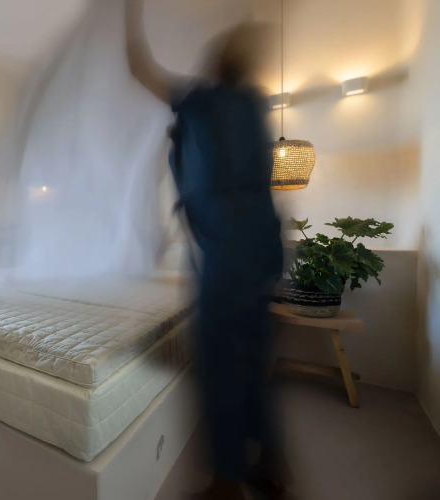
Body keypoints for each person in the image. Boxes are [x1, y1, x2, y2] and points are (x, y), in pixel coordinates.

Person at [125, 1, 287, 499]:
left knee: (220, 368)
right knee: (255, 364)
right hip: (263, 250)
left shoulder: (203, 101)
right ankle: (269, 466)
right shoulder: (255, 107)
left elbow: (139, 69)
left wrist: (129, 12)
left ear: (218, 62)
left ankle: (226, 482)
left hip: (225, 252)